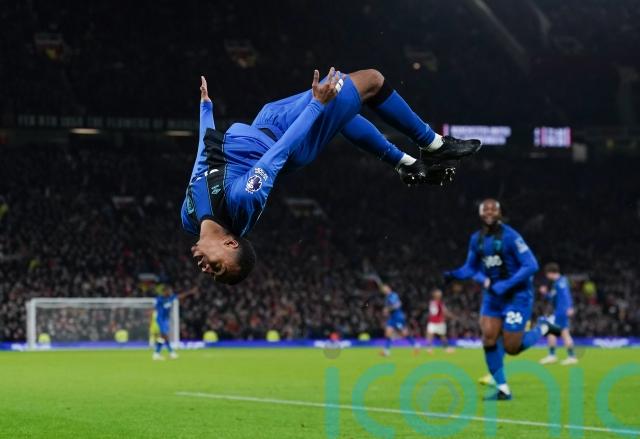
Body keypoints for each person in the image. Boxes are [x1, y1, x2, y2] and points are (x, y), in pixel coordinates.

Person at [184, 68, 482, 284]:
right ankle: (434, 145)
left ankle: (404, 164)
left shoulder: (188, 217)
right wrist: (317, 105)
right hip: (291, 136)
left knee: (342, 113)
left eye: (215, 272)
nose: (207, 271)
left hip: (267, 120)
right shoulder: (242, 198)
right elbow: (281, 151)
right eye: (217, 270)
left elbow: (203, 163)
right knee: (371, 81)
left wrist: (206, 110)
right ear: (231, 244)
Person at [444, 199, 561, 400]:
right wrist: (453, 274)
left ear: (499, 213)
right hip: (493, 297)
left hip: (518, 295)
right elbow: (470, 267)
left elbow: (531, 265)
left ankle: (543, 327)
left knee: (512, 348)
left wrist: (506, 285)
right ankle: (503, 390)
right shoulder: (476, 239)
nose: (489, 212)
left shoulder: (511, 236)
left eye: (493, 209)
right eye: (485, 209)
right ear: (480, 213)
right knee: (488, 338)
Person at [538, 263, 578, 365]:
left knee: (564, 333)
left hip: (561, 311)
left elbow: (566, 296)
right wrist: (545, 294)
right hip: (559, 311)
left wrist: (569, 307)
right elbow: (552, 298)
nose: (547, 276)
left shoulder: (561, 282)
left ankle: (571, 357)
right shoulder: (558, 282)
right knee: (552, 333)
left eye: (547, 274)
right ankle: (553, 355)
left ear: (550, 273)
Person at [152, 285, 198, 360]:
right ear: (164, 291)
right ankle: (170, 353)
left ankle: (157, 354)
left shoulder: (170, 298)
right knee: (165, 335)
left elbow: (180, 296)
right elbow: (154, 308)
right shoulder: (159, 299)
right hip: (160, 319)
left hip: (165, 319)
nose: (170, 292)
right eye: (168, 291)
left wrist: (190, 292)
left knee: (163, 337)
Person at [379, 283, 420, 357]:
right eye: (383, 289)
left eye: (385, 288)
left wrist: (388, 309)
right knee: (388, 332)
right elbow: (389, 307)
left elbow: (397, 305)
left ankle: (415, 345)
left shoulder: (393, 295)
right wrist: (386, 311)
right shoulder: (387, 297)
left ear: (389, 288)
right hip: (392, 317)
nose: (384, 290)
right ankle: (386, 351)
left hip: (398, 317)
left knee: (404, 333)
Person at [424, 287, 454, 354]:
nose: (440, 294)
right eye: (439, 293)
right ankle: (429, 348)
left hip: (439, 322)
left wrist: (449, 315)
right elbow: (444, 312)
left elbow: (444, 311)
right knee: (430, 334)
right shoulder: (434, 303)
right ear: (435, 295)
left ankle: (445, 348)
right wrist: (450, 316)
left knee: (442, 335)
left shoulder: (438, 303)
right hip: (434, 321)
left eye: (440, 293)